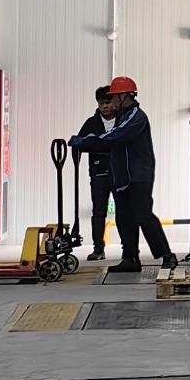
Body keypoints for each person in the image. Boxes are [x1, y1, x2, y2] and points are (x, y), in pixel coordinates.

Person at [72, 78, 175, 274]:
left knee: (143, 215)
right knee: (124, 217)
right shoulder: (122, 116)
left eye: (114, 98)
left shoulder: (135, 116)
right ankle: (130, 258)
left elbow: (117, 135)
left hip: (138, 176)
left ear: (124, 97)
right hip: (123, 177)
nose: (111, 102)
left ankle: (167, 255)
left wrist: (86, 141)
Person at [70, 86, 114, 257]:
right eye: (102, 103)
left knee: (125, 211)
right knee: (98, 212)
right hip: (99, 173)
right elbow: (78, 144)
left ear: (114, 102)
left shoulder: (123, 120)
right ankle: (98, 248)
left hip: (121, 173)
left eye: (108, 102)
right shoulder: (91, 123)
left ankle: (129, 251)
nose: (105, 106)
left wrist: (96, 144)